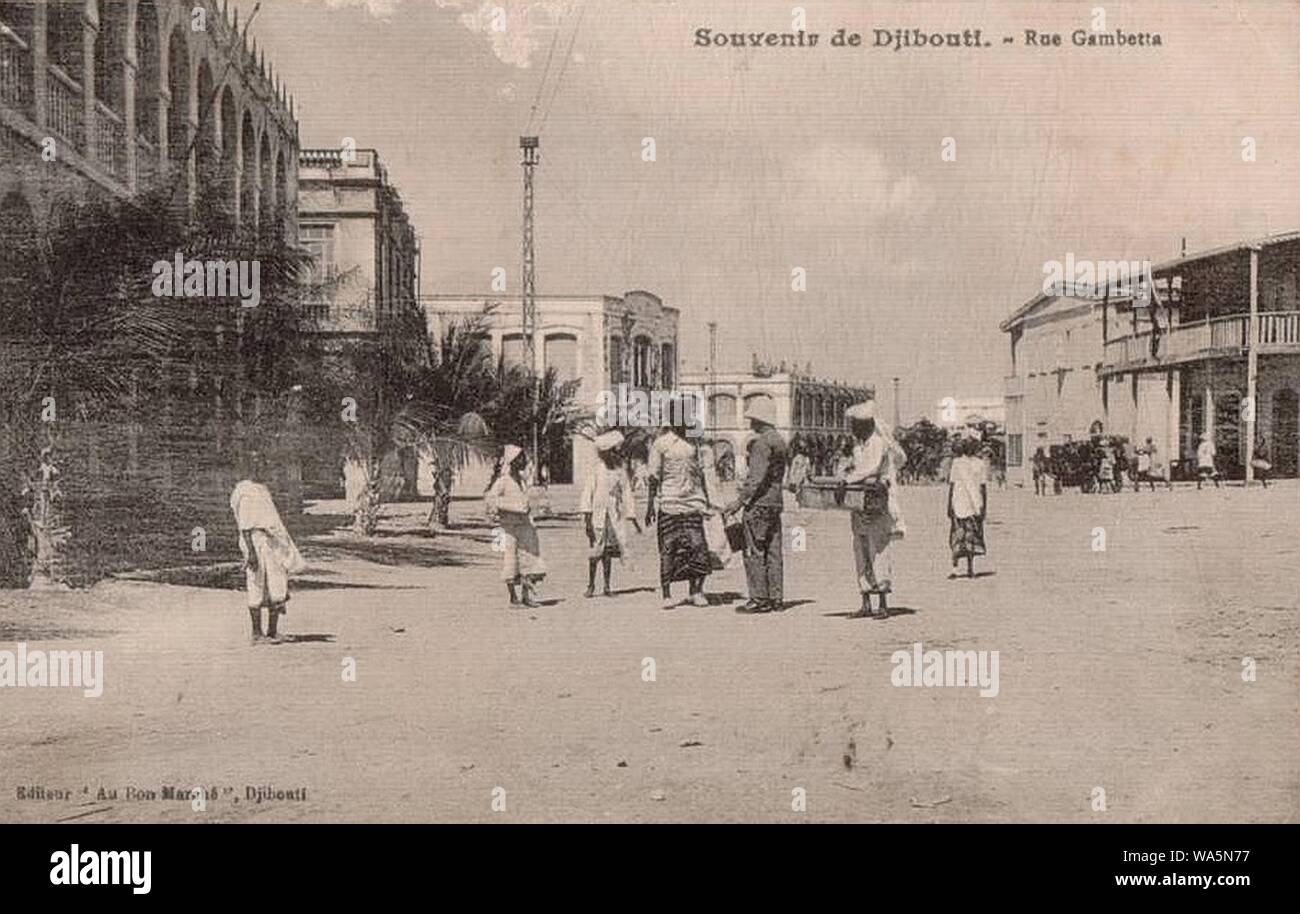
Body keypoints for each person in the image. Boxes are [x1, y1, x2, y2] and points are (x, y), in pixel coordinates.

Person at [230, 454, 306, 643]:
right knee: (257, 583)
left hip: (273, 544)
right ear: (248, 469)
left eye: (264, 465)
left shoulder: (262, 490)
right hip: (257, 542)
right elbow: (246, 526)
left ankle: (272, 631)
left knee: (277, 583)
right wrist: (251, 553)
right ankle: (256, 634)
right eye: (256, 466)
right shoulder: (245, 491)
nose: (261, 469)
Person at [841, 401, 907, 619]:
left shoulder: (877, 443)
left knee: (877, 549)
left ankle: (882, 603)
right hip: (860, 503)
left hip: (877, 503)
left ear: (865, 424)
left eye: (855, 425)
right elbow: (853, 467)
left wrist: (849, 478)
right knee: (860, 549)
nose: (852, 429)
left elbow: (871, 468)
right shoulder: (858, 446)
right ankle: (865, 600)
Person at [725, 396, 788, 614]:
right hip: (776, 501)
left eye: (752, 418)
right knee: (774, 551)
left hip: (759, 503)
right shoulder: (779, 441)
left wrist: (739, 502)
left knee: (754, 551)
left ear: (759, 419)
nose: (750, 422)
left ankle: (759, 598)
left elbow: (756, 478)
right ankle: (776, 597)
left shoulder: (762, 443)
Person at [644, 416, 713, 609]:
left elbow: (700, 474)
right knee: (668, 549)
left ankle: (696, 591)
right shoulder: (660, 444)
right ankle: (667, 594)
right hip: (669, 503)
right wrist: (650, 506)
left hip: (693, 502)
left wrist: (706, 500)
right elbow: (653, 476)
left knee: (698, 547)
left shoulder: (694, 443)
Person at [485, 445, 546, 607]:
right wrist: (509, 506)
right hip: (509, 527)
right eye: (520, 459)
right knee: (511, 560)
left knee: (529, 558)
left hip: (525, 524)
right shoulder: (504, 481)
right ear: (513, 461)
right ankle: (513, 598)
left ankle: (526, 596)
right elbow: (490, 498)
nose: (523, 462)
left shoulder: (523, 481)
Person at [580, 431, 639, 597]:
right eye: (612, 451)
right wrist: (587, 517)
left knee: (608, 552)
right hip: (597, 516)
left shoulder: (620, 471)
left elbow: (626, 491)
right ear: (605, 453)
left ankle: (607, 586)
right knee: (595, 551)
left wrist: (631, 514)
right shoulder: (597, 470)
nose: (615, 454)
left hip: (613, 515)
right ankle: (591, 585)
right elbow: (587, 493)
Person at [947, 436, 988, 578]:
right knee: (958, 536)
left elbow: (983, 487)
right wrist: (949, 505)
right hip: (960, 502)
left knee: (969, 537)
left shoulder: (980, 464)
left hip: (973, 504)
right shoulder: (957, 463)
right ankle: (955, 568)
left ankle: (970, 569)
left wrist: (984, 507)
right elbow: (952, 485)